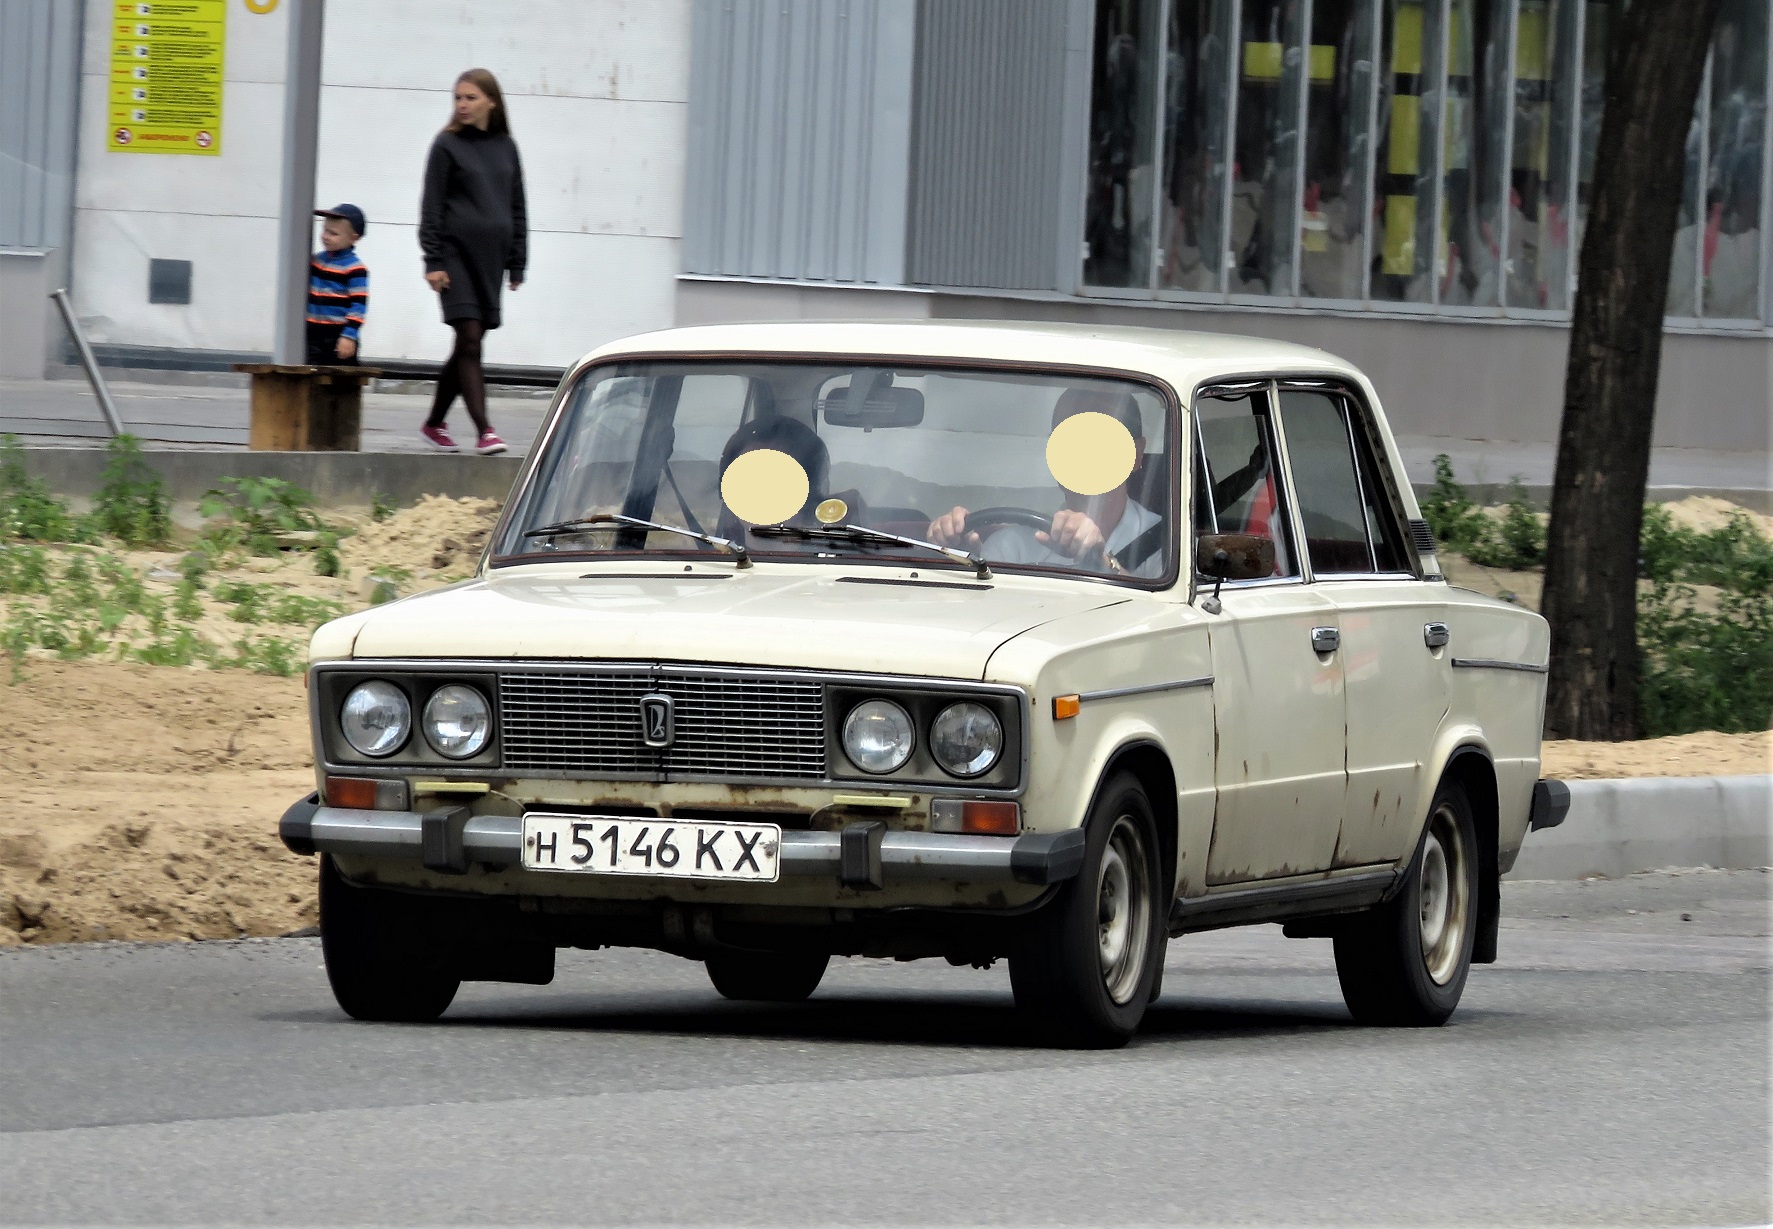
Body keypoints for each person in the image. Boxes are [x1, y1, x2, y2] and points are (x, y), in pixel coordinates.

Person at [927, 389, 1166, 578]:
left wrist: (1102, 562)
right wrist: (953, 550)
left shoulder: (1167, 545)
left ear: (1136, 453)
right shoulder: (1012, 546)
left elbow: (1165, 623)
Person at [418, 68, 527, 456]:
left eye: (470, 98)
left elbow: (517, 207)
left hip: (491, 260)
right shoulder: (446, 145)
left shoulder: (506, 147)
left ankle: (433, 424)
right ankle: (485, 430)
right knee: (468, 338)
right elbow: (431, 207)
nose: (462, 105)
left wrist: (517, 263)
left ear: (491, 102)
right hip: (453, 256)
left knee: (470, 341)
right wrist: (433, 260)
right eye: (457, 98)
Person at [305, 204, 368, 366]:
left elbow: (358, 306)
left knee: (340, 382)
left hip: (337, 335)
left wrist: (348, 336)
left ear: (354, 237)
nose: (325, 236)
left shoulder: (355, 268)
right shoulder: (316, 260)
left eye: (333, 233)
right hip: (312, 332)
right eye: (325, 230)